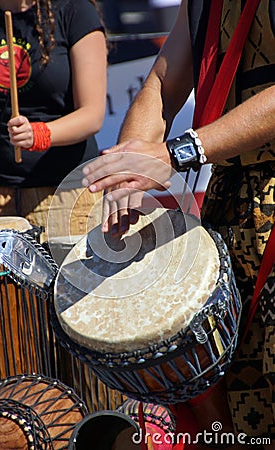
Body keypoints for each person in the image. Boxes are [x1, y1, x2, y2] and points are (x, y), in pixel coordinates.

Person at [82, 0, 275, 447]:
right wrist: (129, 168)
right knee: (239, 403)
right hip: (234, 208)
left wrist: (178, 152)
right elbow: (162, 85)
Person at [0, 0, 107, 243]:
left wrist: (40, 134)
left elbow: (92, 115)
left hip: (64, 194)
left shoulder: (73, 10)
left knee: (66, 281)